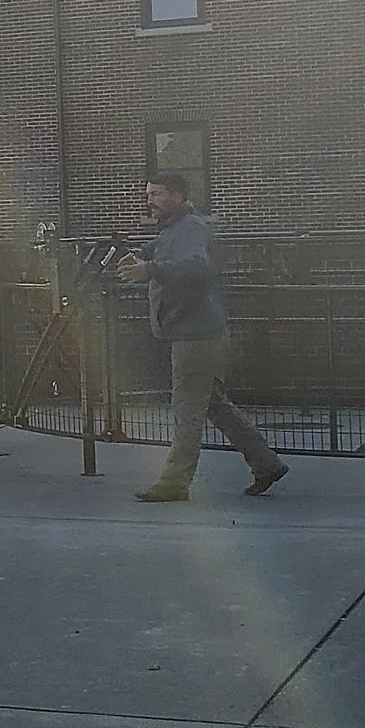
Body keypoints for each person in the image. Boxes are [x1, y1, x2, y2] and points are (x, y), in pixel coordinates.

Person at [121, 172, 288, 503]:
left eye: (156, 194)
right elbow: (163, 250)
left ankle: (175, 482)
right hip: (196, 332)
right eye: (148, 194)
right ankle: (266, 463)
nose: (149, 200)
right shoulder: (176, 229)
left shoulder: (191, 228)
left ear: (178, 196)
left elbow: (196, 265)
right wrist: (140, 254)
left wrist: (148, 269)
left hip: (195, 336)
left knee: (186, 411)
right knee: (214, 405)